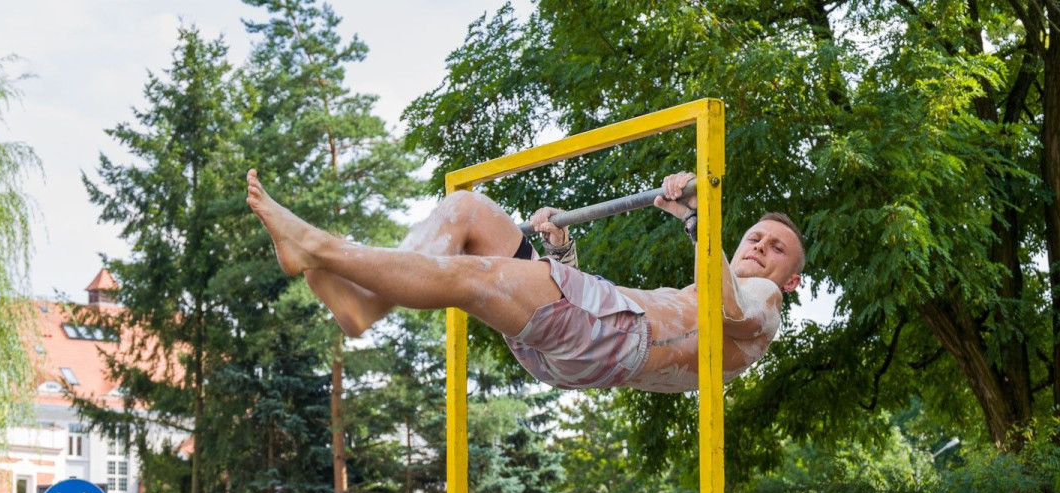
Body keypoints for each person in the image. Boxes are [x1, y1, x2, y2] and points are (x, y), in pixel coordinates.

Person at [244, 169, 804, 395]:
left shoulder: (765, 299)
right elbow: (590, 317)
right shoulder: (711, 281)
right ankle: (365, 302)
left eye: (775, 248)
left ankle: (317, 246)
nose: (758, 247)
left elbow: (730, 313)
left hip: (617, 338)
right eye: (754, 237)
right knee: (467, 210)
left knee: (469, 278)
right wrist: (561, 254)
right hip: (592, 330)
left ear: (793, 278)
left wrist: (694, 221)